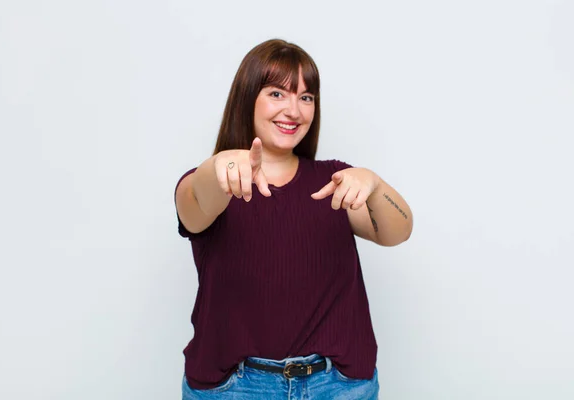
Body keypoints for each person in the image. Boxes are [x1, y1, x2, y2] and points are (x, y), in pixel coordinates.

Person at [174, 38, 413, 400]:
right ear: (247, 98)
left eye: (306, 97)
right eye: (277, 94)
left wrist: (374, 184)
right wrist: (216, 168)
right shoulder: (207, 185)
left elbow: (398, 232)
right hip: (235, 389)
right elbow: (194, 206)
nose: (294, 111)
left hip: (337, 387)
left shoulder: (334, 181)